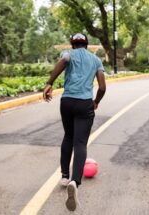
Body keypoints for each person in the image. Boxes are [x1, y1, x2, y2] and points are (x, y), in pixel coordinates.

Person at [43, 33, 106, 211]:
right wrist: (96, 102)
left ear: (72, 44)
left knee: (68, 137)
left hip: (67, 101)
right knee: (80, 142)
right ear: (86, 45)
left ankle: (64, 175)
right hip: (85, 103)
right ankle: (74, 181)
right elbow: (102, 87)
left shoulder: (67, 54)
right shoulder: (95, 60)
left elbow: (63, 61)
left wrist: (49, 83)